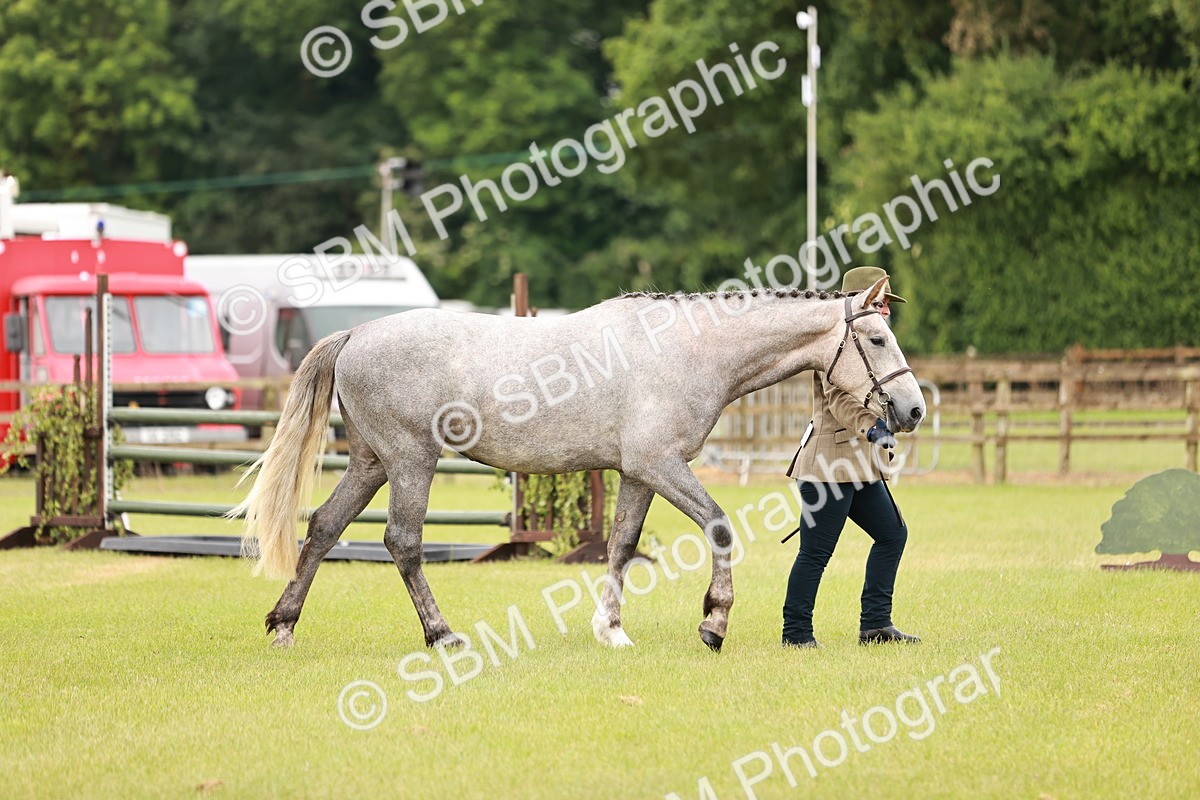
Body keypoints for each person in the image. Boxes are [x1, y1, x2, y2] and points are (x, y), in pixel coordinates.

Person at [781, 266, 920, 648]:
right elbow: (838, 400)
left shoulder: (871, 342)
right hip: (829, 465)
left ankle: (875, 624)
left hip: (859, 468)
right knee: (815, 553)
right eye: (880, 302)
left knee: (892, 535)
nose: (887, 310)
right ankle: (796, 634)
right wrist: (873, 428)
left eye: (887, 303)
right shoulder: (837, 344)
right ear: (859, 303)